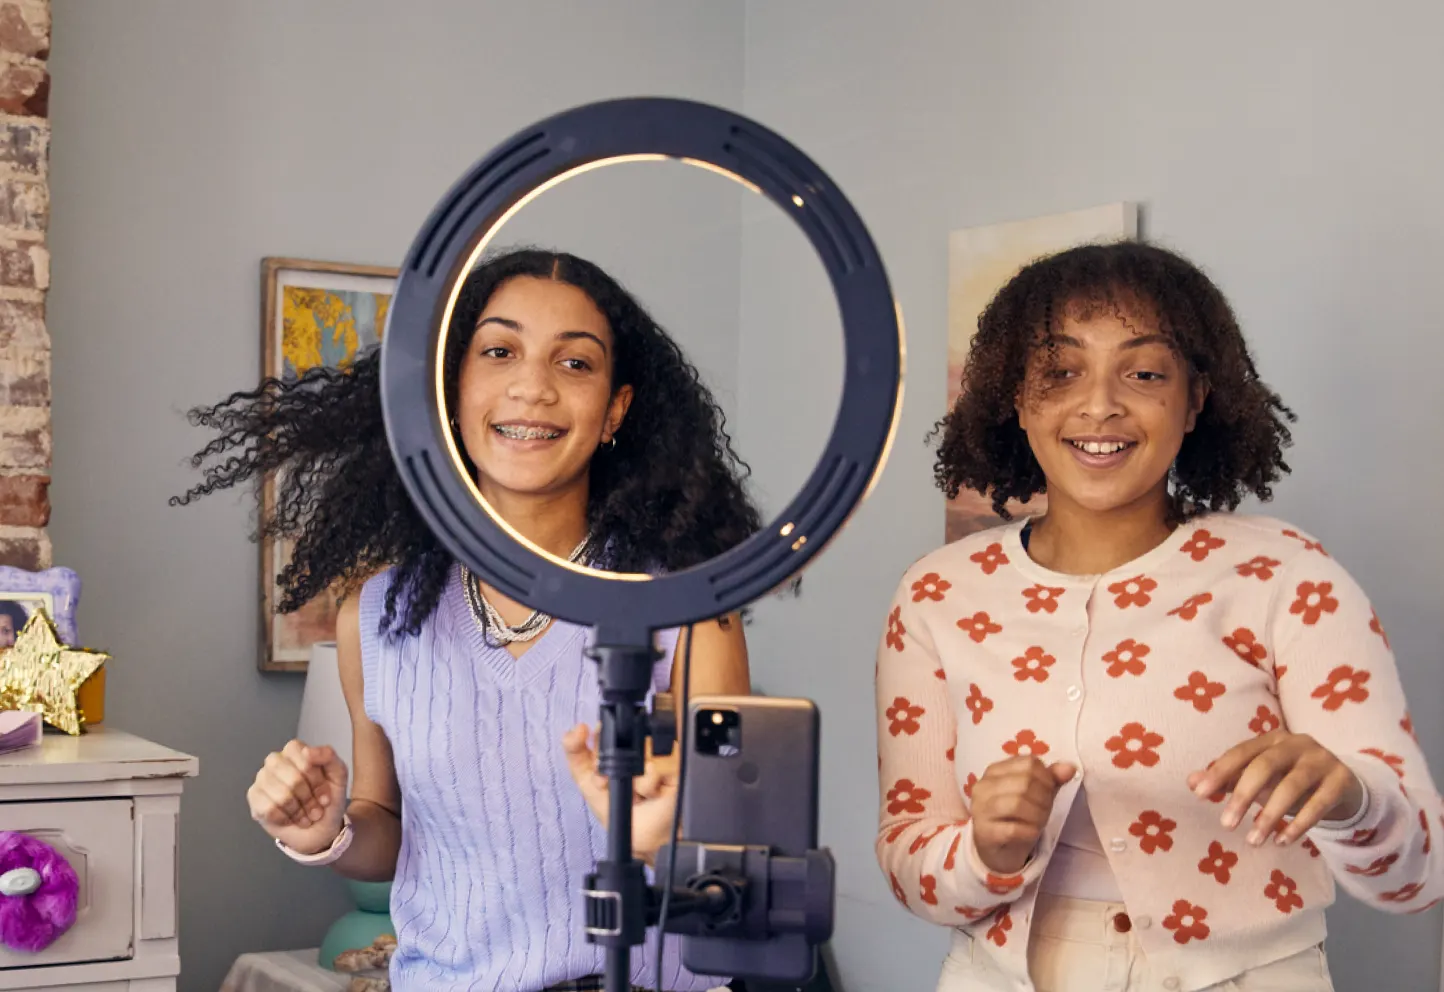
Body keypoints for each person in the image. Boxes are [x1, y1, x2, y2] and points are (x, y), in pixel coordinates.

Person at [175, 248, 757, 992]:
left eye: (575, 364)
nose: (533, 387)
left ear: (616, 409)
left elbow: (736, 863)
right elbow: (386, 830)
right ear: (452, 390)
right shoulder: (379, 618)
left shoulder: (686, 612)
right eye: (499, 351)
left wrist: (656, 846)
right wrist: (325, 833)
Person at [875, 241, 1443, 992]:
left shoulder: (1287, 576)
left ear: (1195, 397)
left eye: (1143, 373)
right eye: (1061, 371)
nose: (1100, 404)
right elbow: (908, 857)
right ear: (1017, 397)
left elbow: (1420, 874)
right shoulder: (935, 595)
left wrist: (1352, 796)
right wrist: (986, 852)